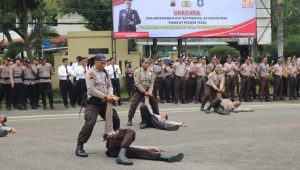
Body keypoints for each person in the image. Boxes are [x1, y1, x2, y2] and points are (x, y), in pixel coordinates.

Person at [76, 53, 120, 157]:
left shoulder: (105, 71)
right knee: (90, 122)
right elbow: (91, 89)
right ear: (96, 62)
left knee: (115, 118)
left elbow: (110, 85)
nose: (104, 65)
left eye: (105, 63)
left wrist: (110, 96)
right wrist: (105, 97)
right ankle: (79, 146)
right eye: (102, 63)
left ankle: (113, 140)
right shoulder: (90, 72)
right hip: (93, 103)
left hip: (105, 102)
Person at [127, 59, 159, 126]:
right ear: (142, 63)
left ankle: (157, 117)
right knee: (134, 103)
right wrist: (144, 92)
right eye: (146, 63)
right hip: (139, 90)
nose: (147, 64)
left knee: (154, 102)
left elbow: (152, 82)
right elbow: (137, 83)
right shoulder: (137, 71)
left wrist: (149, 91)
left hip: (148, 89)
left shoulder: (151, 71)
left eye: (148, 63)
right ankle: (130, 118)